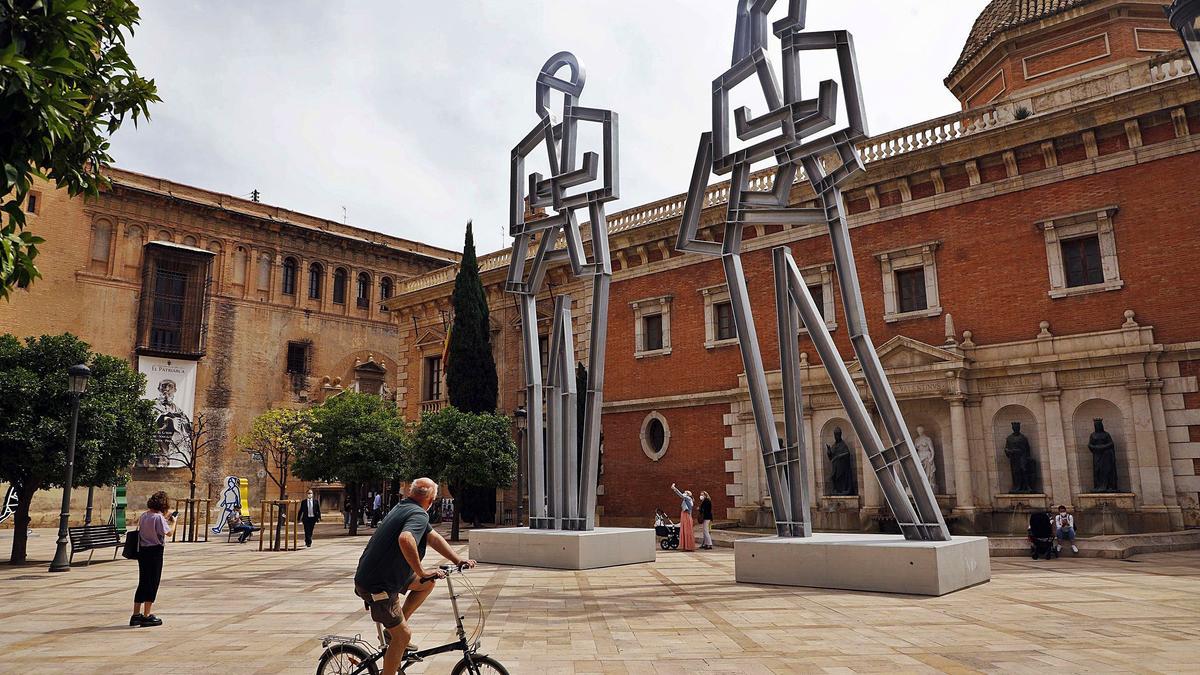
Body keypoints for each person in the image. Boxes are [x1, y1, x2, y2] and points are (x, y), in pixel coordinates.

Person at [354, 478, 476, 675]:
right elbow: (405, 538)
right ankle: (394, 645)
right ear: (432, 498)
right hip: (378, 586)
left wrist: (457, 560)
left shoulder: (405, 506)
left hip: (384, 577)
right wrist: (421, 572)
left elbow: (433, 537)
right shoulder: (418, 514)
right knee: (403, 636)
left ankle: (389, 633)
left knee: (426, 584)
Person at [131, 490, 175, 628]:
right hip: (155, 552)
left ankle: (135, 615)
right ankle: (147, 615)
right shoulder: (158, 518)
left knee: (143, 581)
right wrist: (174, 522)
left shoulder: (144, 515)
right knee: (152, 582)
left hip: (142, 551)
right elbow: (168, 533)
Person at [670, 482, 696, 552]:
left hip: (686, 515)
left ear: (688, 494)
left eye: (685, 492)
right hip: (685, 515)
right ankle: (686, 546)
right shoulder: (687, 499)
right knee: (685, 530)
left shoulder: (688, 498)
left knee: (686, 530)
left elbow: (681, 495)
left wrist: (674, 488)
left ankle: (688, 546)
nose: (684, 493)